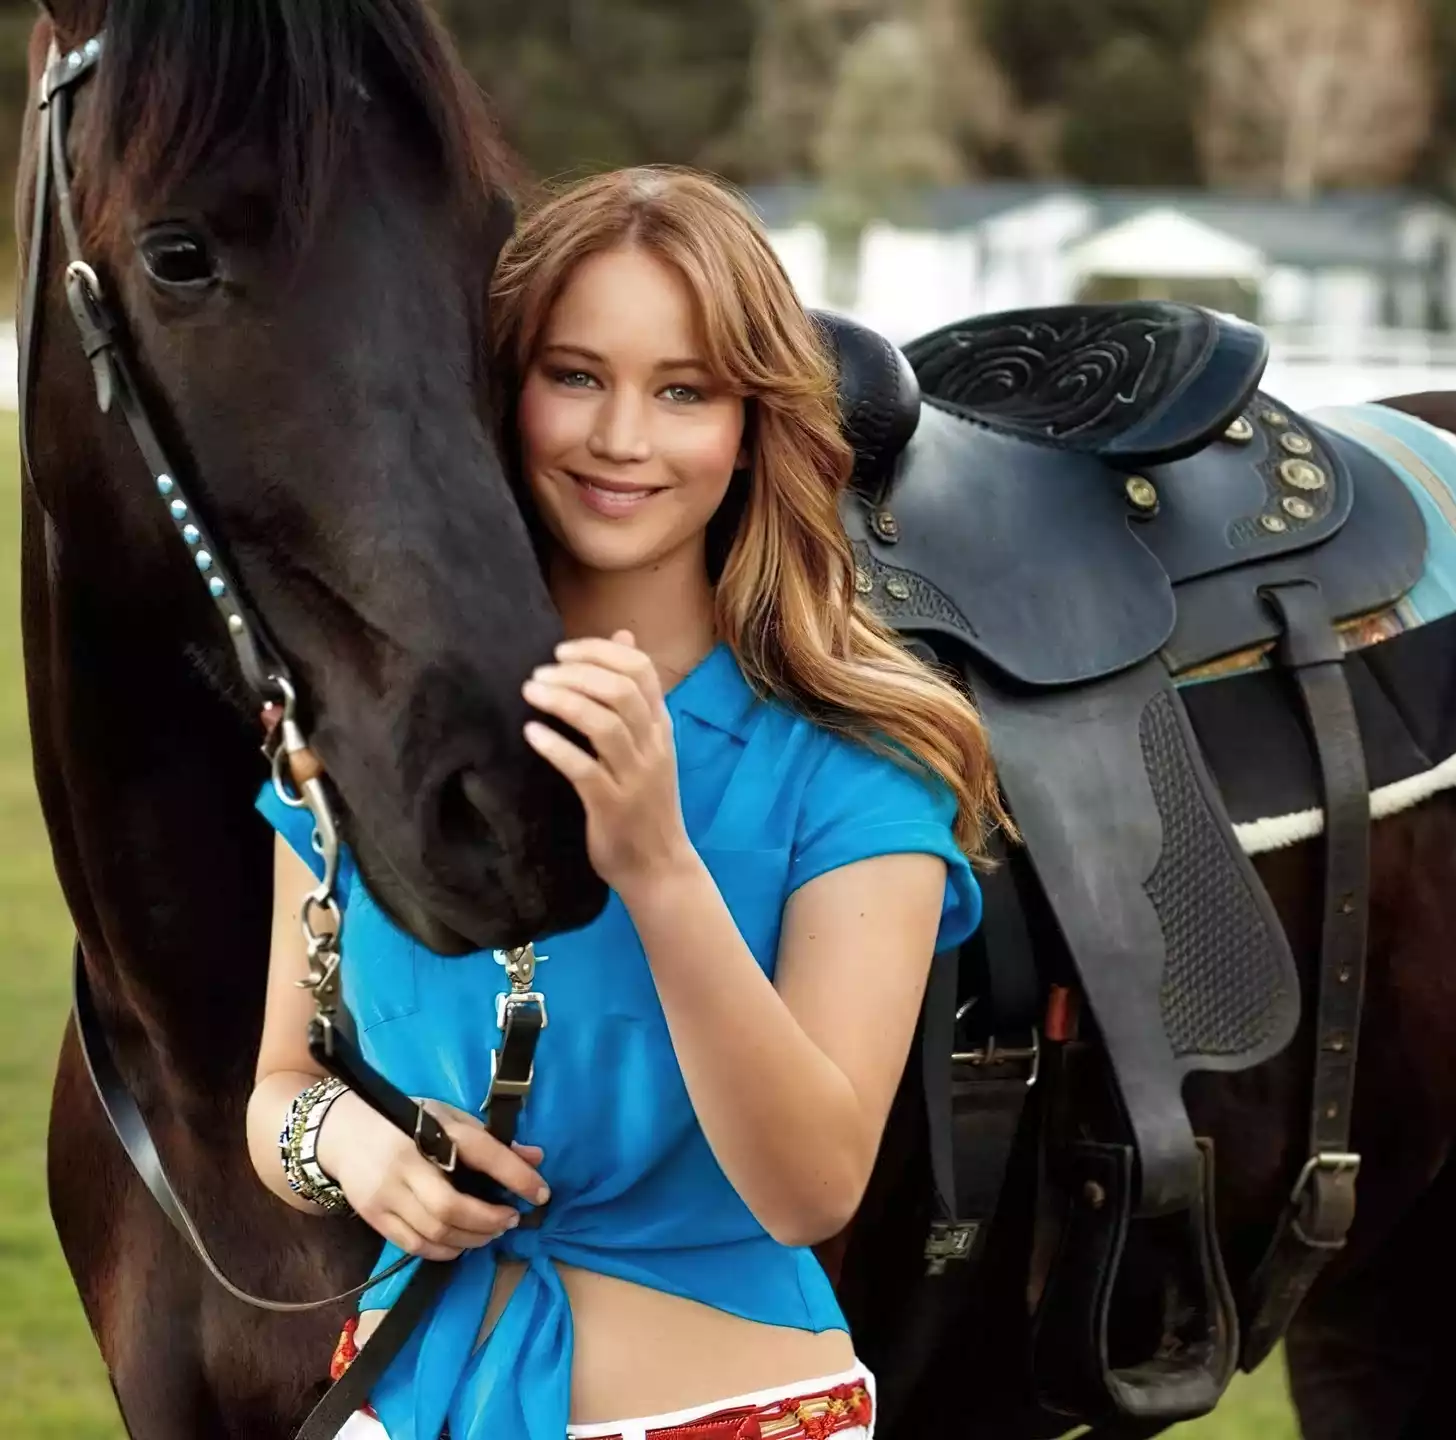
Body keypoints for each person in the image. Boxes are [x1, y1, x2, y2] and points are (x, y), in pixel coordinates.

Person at [245, 165, 1007, 1440]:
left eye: (685, 391)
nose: (622, 440)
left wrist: (660, 869)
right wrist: (354, 1148)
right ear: (500, 390)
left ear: (755, 422)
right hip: (391, 1405)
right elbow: (276, 1083)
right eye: (576, 375)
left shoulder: (859, 764)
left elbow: (813, 1187)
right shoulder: (365, 737)